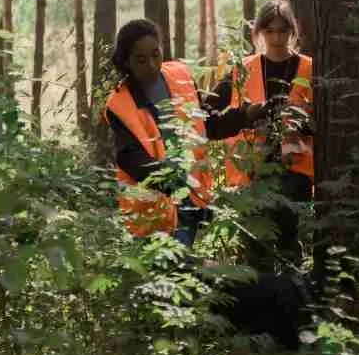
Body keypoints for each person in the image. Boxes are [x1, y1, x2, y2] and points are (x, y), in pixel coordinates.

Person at [104, 19, 267, 245]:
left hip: (191, 199)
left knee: (182, 272)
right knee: (168, 274)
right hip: (152, 209)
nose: (151, 64)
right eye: (141, 60)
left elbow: (206, 124)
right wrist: (170, 179)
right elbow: (128, 156)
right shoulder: (120, 103)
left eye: (155, 54)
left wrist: (245, 115)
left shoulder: (179, 75)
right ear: (126, 62)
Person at [205, 0, 314, 268]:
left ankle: (294, 298)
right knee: (255, 246)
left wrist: (300, 122)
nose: (277, 37)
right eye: (270, 30)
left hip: (295, 168)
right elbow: (209, 105)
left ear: (292, 31)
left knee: (288, 238)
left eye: (283, 30)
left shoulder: (310, 68)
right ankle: (258, 301)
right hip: (250, 168)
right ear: (260, 33)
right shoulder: (244, 69)